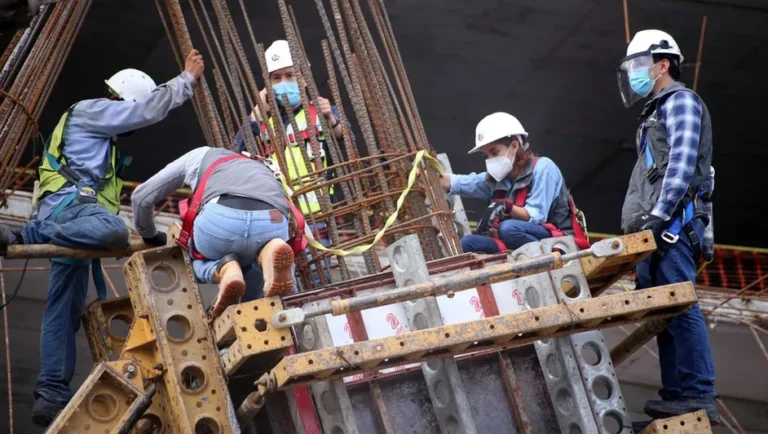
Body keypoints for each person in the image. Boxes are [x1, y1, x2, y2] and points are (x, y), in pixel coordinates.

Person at [0, 49, 204, 427]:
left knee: (64, 311)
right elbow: (147, 111)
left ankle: (50, 395)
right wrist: (185, 81)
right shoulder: (92, 111)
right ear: (122, 99)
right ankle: (28, 233)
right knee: (113, 232)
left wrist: (148, 234)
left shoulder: (104, 146)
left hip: (78, 227)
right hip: (69, 213)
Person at [617, 29, 718, 428]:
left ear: (662, 65)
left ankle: (698, 393)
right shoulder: (655, 112)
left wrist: (660, 218)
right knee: (664, 311)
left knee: (680, 305)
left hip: (673, 225)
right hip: (658, 226)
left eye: (640, 65)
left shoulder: (680, 102)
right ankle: (678, 395)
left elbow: (682, 165)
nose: (634, 75)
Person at [131, 146, 297, 318]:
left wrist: (149, 234)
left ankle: (223, 269)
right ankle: (268, 251)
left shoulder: (200, 155)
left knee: (186, 259)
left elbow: (141, 197)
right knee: (260, 262)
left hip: (221, 219)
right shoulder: (263, 165)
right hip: (272, 222)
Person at [236, 39, 348, 287]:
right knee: (283, 281)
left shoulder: (320, 112)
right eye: (276, 78)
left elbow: (345, 138)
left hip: (314, 215)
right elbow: (237, 152)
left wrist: (331, 118)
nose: (283, 82)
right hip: (275, 214)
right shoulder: (262, 120)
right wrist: (255, 115)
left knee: (318, 277)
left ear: (304, 79)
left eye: (290, 75)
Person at [440, 112, 588, 254]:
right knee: (467, 243)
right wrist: (430, 175)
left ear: (515, 146)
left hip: (559, 242)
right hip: (517, 242)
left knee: (509, 229)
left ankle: (539, 263)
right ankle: (516, 261)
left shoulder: (543, 167)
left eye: (494, 152)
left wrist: (506, 206)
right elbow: (460, 182)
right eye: (486, 155)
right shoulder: (497, 179)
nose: (490, 160)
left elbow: (537, 216)